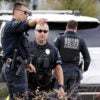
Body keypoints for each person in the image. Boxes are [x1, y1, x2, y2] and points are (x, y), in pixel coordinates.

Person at [1, 2, 46, 100]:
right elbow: (25, 24)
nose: (27, 15)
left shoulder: (16, 29)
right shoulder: (12, 25)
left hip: (16, 67)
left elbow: (19, 48)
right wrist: (36, 20)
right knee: (20, 97)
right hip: (14, 70)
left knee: (15, 97)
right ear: (16, 12)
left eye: (28, 13)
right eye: (25, 12)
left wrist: (27, 63)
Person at [54, 20, 91, 100]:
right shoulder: (81, 40)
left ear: (66, 27)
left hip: (61, 71)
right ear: (76, 28)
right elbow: (87, 58)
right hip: (75, 72)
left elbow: (53, 52)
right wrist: (84, 69)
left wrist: (53, 67)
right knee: (72, 96)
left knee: (58, 95)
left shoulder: (60, 38)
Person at [27, 23, 65, 99]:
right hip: (29, 88)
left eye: (45, 31)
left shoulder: (53, 49)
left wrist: (61, 86)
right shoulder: (27, 47)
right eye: (39, 31)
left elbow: (58, 68)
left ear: (48, 33)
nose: (42, 33)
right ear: (35, 32)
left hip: (47, 89)